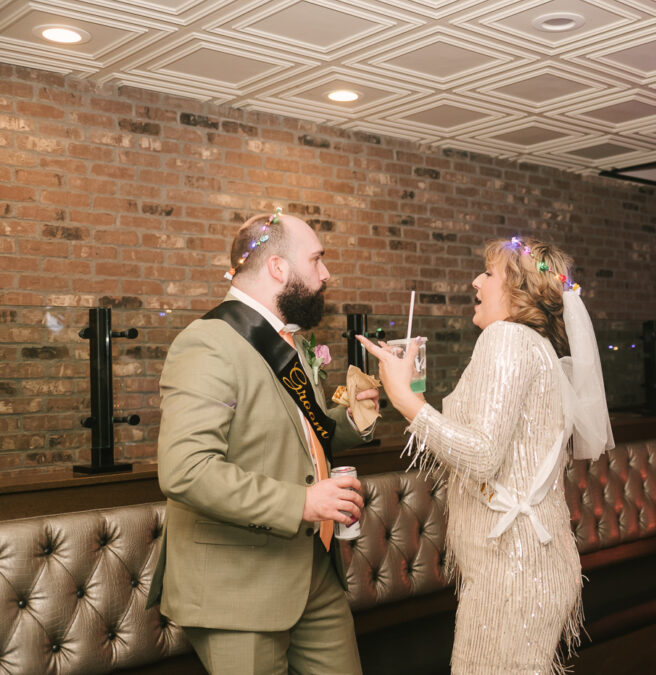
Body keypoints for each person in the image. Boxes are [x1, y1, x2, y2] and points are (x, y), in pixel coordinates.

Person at [357, 236, 613, 674]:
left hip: (513, 572)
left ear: (518, 291)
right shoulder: (534, 346)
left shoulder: (506, 339)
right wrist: (412, 385)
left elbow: (479, 456)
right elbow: (486, 439)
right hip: (523, 566)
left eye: (488, 273)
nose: (476, 281)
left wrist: (404, 400)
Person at [147, 209, 378, 674]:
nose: (326, 273)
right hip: (239, 587)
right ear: (278, 268)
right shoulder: (209, 343)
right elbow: (186, 470)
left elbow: (299, 434)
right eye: (316, 260)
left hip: (311, 567)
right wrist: (303, 502)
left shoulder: (283, 342)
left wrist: (355, 418)